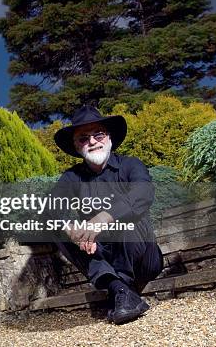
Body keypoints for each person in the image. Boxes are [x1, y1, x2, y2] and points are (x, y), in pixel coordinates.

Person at [51, 105, 164, 325]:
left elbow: (144, 193)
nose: (92, 141)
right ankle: (120, 290)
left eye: (98, 134)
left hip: (142, 256)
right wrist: (74, 232)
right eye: (83, 138)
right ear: (76, 146)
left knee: (128, 214)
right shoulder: (71, 177)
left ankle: (119, 288)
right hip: (102, 256)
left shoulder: (130, 165)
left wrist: (102, 218)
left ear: (109, 137)